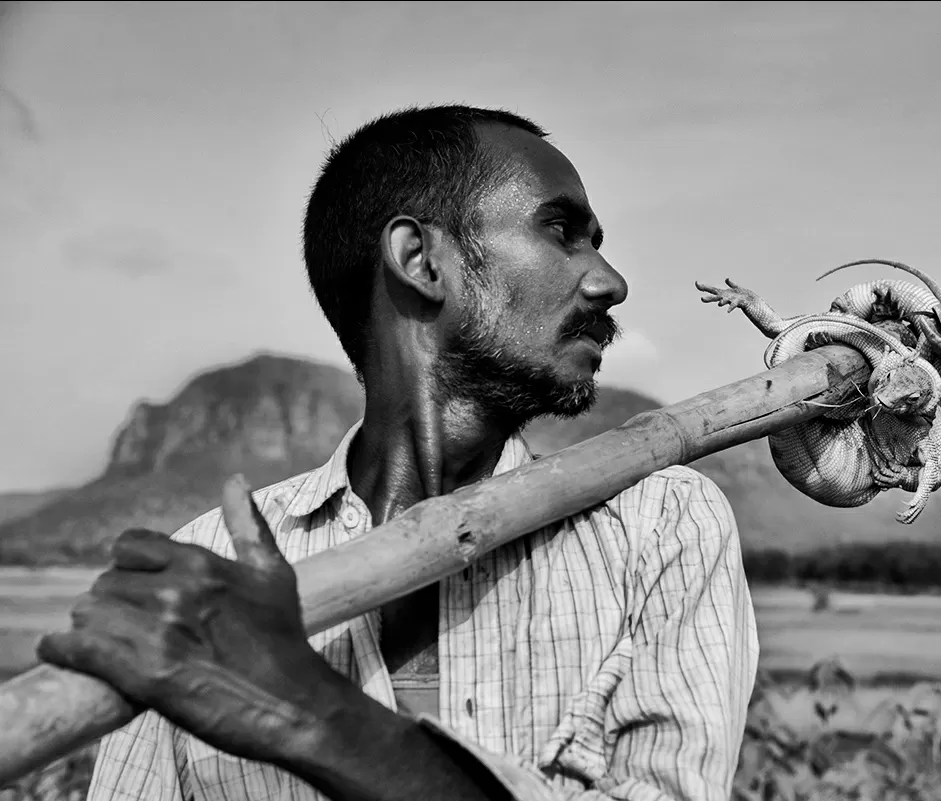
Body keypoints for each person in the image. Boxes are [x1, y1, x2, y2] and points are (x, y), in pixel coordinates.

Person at [38, 104, 759, 801]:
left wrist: (302, 712)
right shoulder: (204, 580)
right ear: (420, 260)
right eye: (562, 230)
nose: (609, 281)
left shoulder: (659, 528)